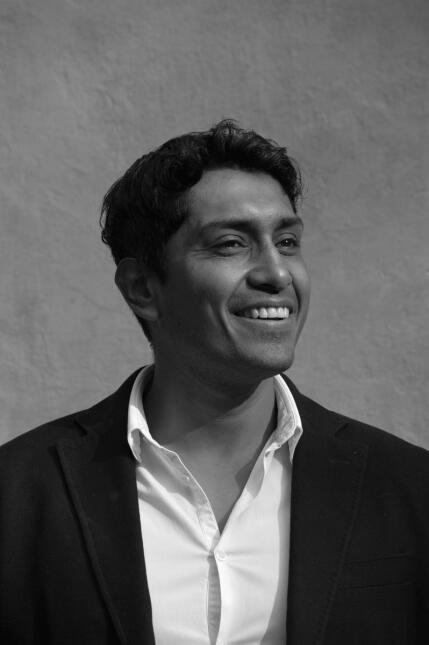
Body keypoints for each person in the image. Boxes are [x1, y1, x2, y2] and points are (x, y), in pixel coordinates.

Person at [0, 120, 428, 645]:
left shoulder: (408, 489)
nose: (277, 273)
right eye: (230, 244)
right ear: (142, 288)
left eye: (287, 241)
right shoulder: (19, 495)